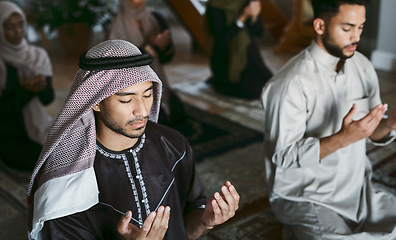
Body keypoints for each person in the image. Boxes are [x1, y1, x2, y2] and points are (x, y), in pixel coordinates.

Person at [27, 40, 240, 240]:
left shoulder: (174, 145)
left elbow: (186, 226)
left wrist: (204, 221)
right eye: (127, 99)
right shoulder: (66, 181)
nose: (142, 110)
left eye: (147, 95)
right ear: (95, 102)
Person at [261, 0, 396, 239]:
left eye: (361, 27)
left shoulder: (363, 66)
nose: (356, 37)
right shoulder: (289, 84)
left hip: (356, 191)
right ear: (320, 25)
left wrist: (390, 124)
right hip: (305, 196)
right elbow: (283, 156)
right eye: (347, 28)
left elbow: (371, 131)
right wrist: (343, 138)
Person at [108, 0, 185, 125]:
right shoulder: (116, 26)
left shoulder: (155, 19)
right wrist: (147, 49)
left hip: (154, 78)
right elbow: (116, 64)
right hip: (131, 86)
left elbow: (166, 58)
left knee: (177, 114)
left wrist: (163, 47)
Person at [0, 1, 54, 171]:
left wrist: (43, 87)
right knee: (45, 162)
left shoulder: (37, 56)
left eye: (21, 25)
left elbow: (48, 100)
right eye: (10, 27)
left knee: (70, 148)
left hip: (39, 126)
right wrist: (26, 92)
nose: (17, 32)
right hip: (9, 135)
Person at [205, 0, 273, 99]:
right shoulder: (215, 6)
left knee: (271, 85)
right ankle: (220, 83)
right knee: (254, 92)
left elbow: (259, 32)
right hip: (226, 60)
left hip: (249, 57)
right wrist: (242, 18)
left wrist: (255, 16)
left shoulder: (246, 2)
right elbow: (222, 40)